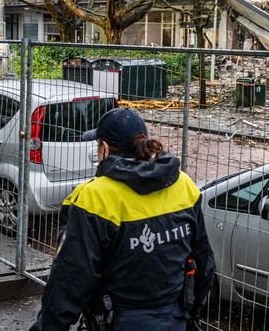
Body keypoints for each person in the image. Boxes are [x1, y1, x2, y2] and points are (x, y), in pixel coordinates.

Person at [31, 108, 216, 331]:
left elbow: (70, 280)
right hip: (175, 318)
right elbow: (204, 259)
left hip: (118, 320)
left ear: (105, 149)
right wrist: (191, 313)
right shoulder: (183, 184)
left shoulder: (94, 198)